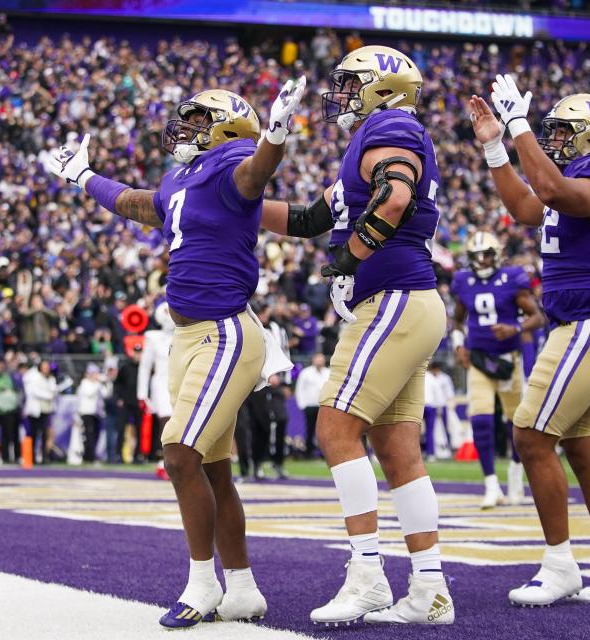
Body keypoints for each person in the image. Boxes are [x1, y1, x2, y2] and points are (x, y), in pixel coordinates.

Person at [44, 77, 305, 627]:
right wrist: (84, 177)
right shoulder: (184, 177)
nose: (184, 129)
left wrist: (276, 136)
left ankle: (202, 583)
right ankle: (243, 589)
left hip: (225, 333)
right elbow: (138, 203)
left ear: (226, 130)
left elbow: (258, 172)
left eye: (196, 122)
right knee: (213, 470)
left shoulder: (233, 167)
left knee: (179, 454)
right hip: (185, 338)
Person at [260, 45, 453, 625]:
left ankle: (367, 575)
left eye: (349, 84)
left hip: (393, 296)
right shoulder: (369, 141)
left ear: (381, 89)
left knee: (336, 427)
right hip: (409, 301)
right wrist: (236, 206)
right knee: (399, 452)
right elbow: (305, 220)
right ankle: (430, 590)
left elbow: (395, 196)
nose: (339, 95)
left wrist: (351, 259)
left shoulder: (390, 126)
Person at [468, 77, 590, 605]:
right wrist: (495, 145)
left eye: (565, 132)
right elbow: (527, 208)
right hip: (582, 322)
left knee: (529, 437)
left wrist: (519, 127)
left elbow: (549, 191)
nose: (555, 140)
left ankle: (559, 564)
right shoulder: (572, 175)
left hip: (588, 322)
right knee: (586, 451)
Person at [451, 231, 545, 507]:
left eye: (486, 255)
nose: (482, 261)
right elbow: (457, 321)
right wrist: (458, 345)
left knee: (516, 423)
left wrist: (514, 328)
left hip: (508, 359)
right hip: (480, 359)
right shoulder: (464, 282)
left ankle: (516, 474)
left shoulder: (511, 279)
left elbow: (538, 316)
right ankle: (491, 485)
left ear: (497, 255)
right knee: (480, 417)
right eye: (476, 256)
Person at [138, 303, 175, 462]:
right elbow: (145, 367)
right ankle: (164, 459)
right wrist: (142, 394)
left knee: (179, 423)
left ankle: (177, 459)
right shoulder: (152, 337)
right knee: (166, 420)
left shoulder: (185, 336)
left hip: (180, 384)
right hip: (160, 384)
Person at [294, 353, 329, 458]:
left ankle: (325, 453)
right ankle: (308, 453)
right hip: (310, 405)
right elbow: (299, 389)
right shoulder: (306, 373)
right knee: (309, 429)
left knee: (325, 431)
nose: (319, 361)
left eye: (321, 359)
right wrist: (302, 404)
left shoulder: (329, 372)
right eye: (317, 359)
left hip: (324, 405)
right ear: (313, 360)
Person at [23, 360, 58, 463]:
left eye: (47, 367)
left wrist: (52, 394)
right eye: (44, 367)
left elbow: (54, 391)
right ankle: (31, 457)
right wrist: (48, 395)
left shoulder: (51, 379)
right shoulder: (35, 377)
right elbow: (34, 391)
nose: (46, 369)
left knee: (45, 434)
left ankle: (44, 457)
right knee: (33, 433)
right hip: (35, 411)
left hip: (46, 410)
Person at [76, 363, 110, 463]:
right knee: (88, 434)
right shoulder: (84, 383)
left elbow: (106, 394)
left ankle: (91, 454)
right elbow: (89, 393)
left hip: (97, 413)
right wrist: (98, 383)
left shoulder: (97, 384)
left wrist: (106, 383)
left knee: (95, 435)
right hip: (87, 413)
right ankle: (88, 456)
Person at [422, 361, 454, 461]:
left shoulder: (422, 376)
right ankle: (431, 453)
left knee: (419, 431)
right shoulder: (432, 379)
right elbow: (438, 395)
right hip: (431, 406)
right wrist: (439, 409)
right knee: (430, 431)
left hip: (421, 405)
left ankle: (429, 452)